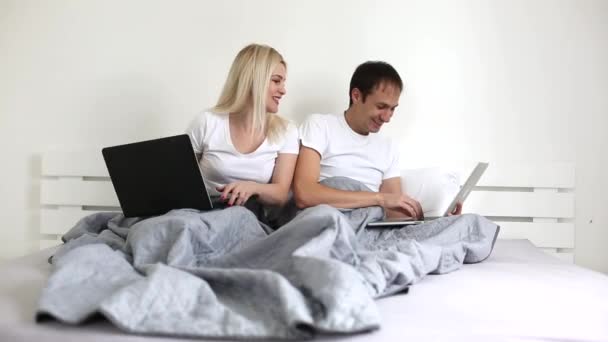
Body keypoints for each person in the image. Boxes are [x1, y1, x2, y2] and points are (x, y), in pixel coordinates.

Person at [293, 61, 461, 219]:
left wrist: (438, 220)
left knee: (470, 225)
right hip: (331, 219)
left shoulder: (388, 147)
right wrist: (379, 198)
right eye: (381, 107)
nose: (387, 118)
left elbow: (393, 212)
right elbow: (305, 194)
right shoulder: (320, 125)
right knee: (338, 192)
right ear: (356, 96)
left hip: (370, 226)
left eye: (392, 109)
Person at [186, 43, 299, 211]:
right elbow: (181, 178)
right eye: (276, 81)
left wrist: (253, 187)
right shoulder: (207, 121)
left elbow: (281, 194)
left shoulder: (286, 131)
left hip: (246, 215)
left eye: (283, 82)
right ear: (253, 80)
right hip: (202, 211)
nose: (283, 90)